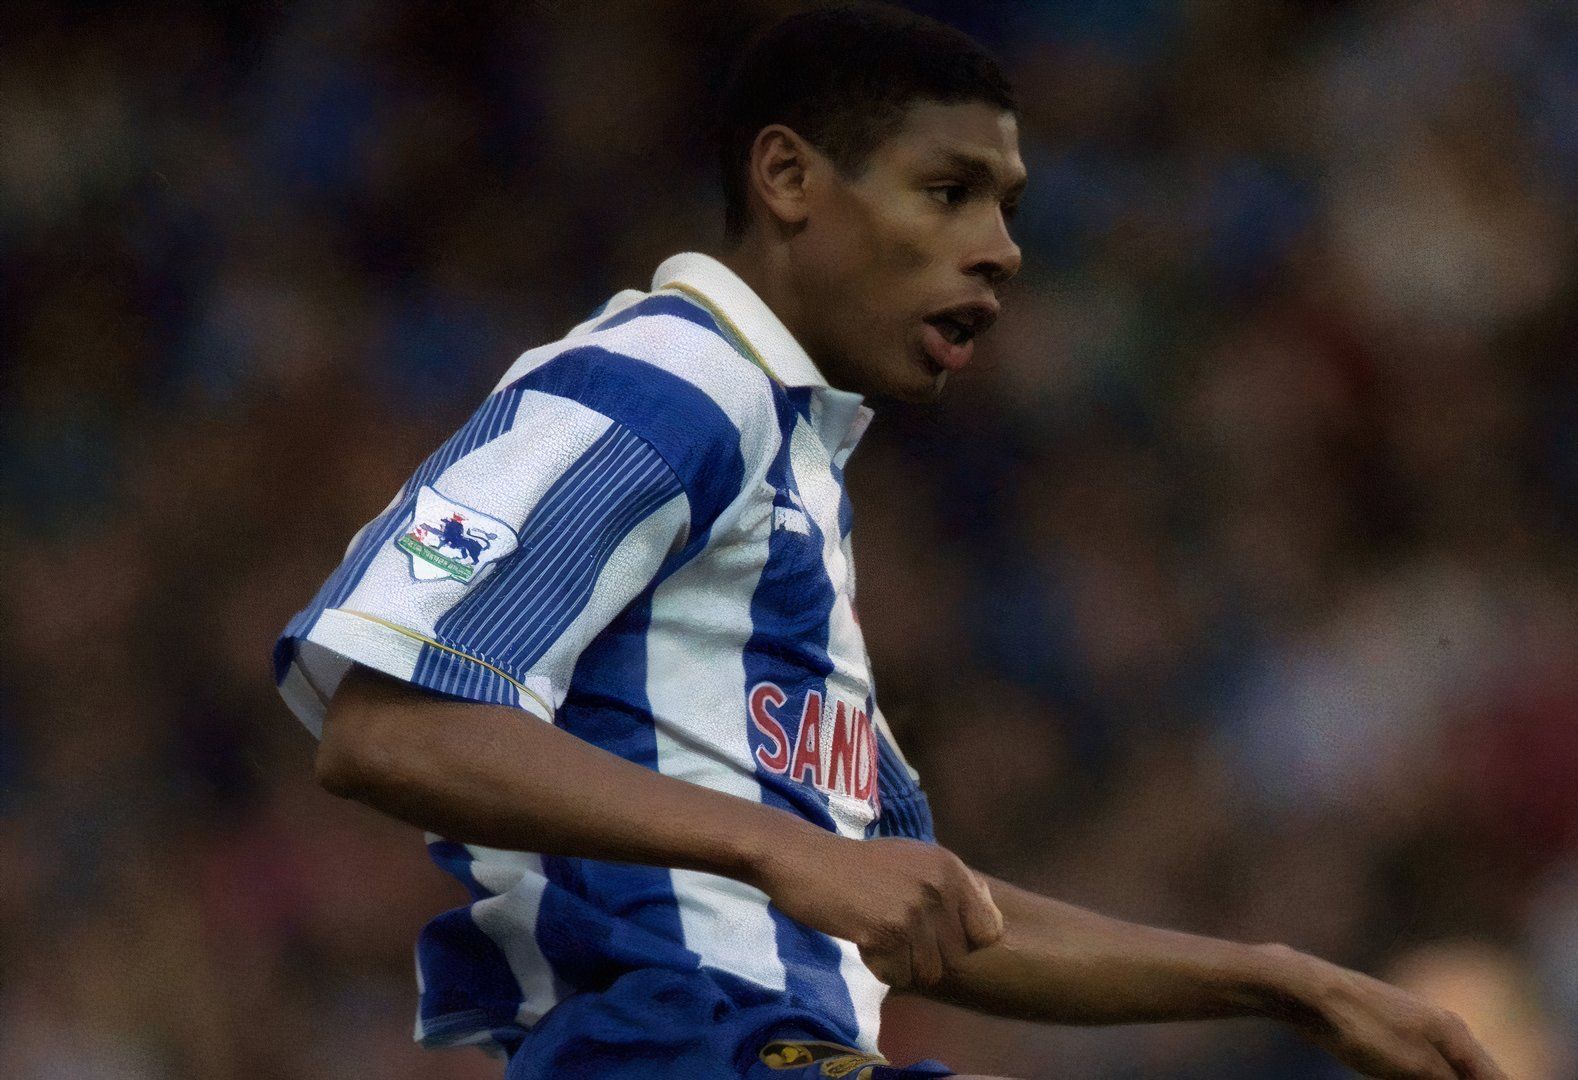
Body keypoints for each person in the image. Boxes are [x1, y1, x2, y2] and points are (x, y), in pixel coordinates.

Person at [270, 5, 1509, 1078]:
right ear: (790, 179)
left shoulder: (789, 474)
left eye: (1010, 207)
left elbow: (923, 903)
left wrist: (1283, 983)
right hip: (673, 1041)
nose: (1003, 248)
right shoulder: (666, 382)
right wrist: (777, 845)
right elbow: (390, 722)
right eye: (948, 190)